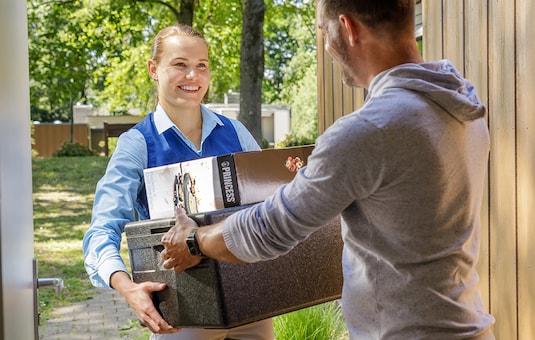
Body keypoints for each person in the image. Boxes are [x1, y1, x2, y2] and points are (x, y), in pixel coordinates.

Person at [161, 0, 496, 338]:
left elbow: (271, 228)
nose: (325, 45)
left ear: (347, 29)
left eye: (324, 31)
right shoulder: (459, 107)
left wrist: (193, 240)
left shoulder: (371, 130)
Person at [82, 24, 274, 339]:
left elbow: (271, 210)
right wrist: (128, 288)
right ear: (153, 70)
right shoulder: (137, 144)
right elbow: (102, 229)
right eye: (180, 64)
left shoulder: (237, 133)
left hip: (251, 305)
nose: (192, 76)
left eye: (202, 66)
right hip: (184, 313)